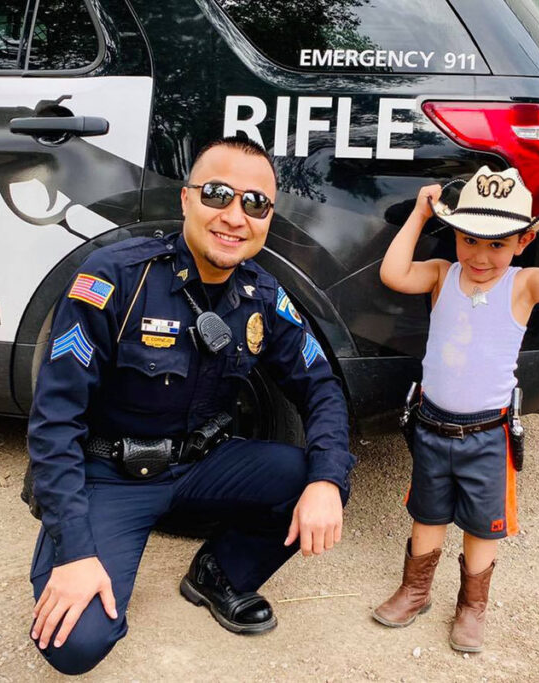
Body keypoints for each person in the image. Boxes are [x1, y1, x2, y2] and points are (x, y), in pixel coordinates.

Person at [26, 136, 356, 675]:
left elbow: (321, 387)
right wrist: (77, 551)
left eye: (255, 203)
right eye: (218, 194)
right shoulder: (115, 277)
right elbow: (55, 419)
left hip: (201, 466)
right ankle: (77, 548)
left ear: (268, 217)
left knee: (317, 474)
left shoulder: (262, 296)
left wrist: (326, 482)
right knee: (76, 644)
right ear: (185, 199)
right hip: (109, 474)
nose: (234, 216)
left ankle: (218, 574)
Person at [373, 166, 539, 651]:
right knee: (427, 514)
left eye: (497, 243)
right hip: (433, 423)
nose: (480, 255)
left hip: (488, 433)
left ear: (521, 243)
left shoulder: (524, 284)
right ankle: (415, 591)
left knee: (481, 524)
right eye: (469, 239)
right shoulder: (440, 275)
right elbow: (392, 273)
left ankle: (472, 607)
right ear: (454, 235)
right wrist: (418, 213)